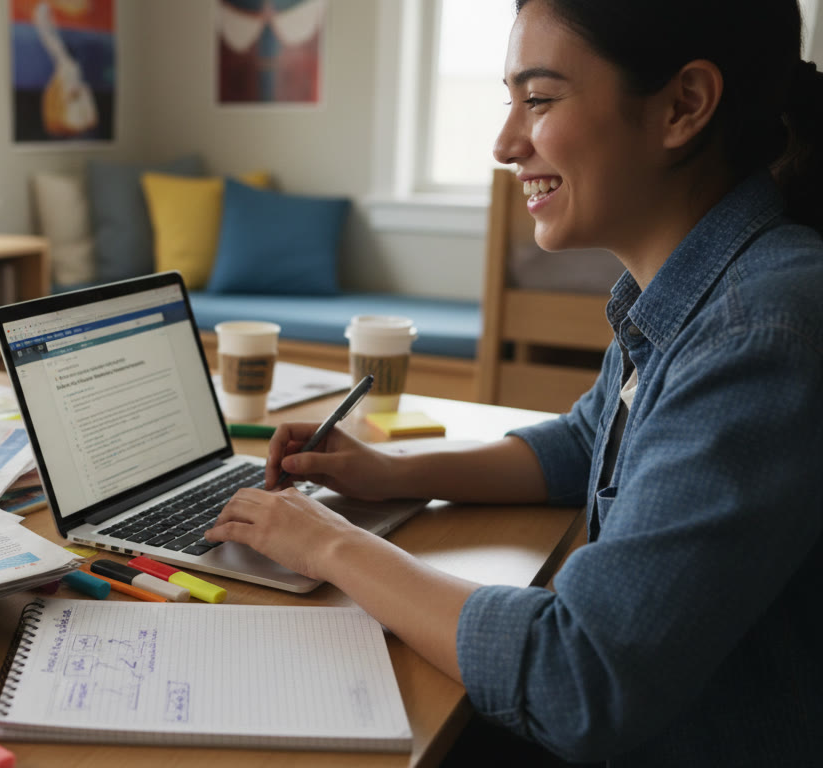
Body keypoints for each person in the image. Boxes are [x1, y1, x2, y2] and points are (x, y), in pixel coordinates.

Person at [206, 0, 823, 764]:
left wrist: (332, 546)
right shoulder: (687, 293)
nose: (504, 144)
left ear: (683, 105)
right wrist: (393, 473)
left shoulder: (756, 330)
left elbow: (580, 675)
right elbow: (585, 441)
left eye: (539, 98)